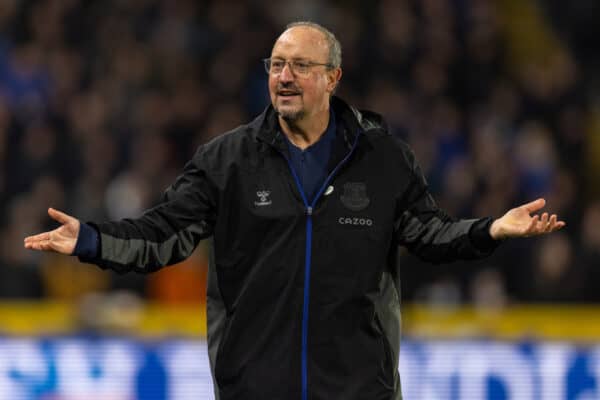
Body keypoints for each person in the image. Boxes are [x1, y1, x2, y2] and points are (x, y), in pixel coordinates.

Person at [24, 21, 565, 400]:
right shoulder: (227, 159)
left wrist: (490, 229)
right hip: (254, 387)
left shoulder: (382, 159)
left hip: (358, 390)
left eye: (300, 66)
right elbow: (163, 234)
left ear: (332, 78)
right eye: (276, 64)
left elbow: (429, 233)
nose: (283, 76)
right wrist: (91, 239)